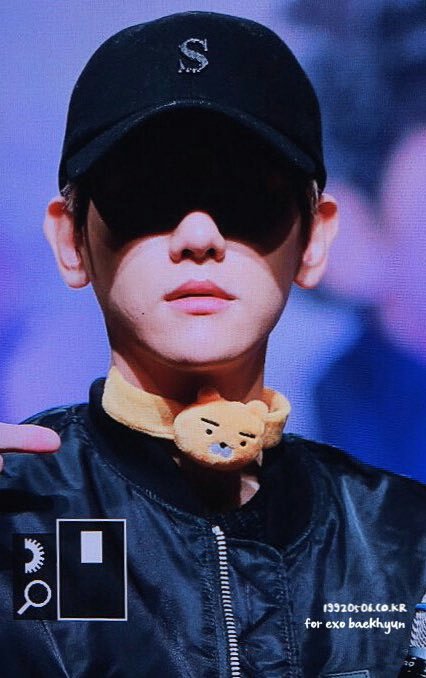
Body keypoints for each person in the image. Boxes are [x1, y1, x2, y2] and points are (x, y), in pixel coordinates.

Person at [0, 11, 425, 677]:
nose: (198, 235)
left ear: (315, 239)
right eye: (146, 191)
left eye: (246, 191)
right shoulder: (14, 515)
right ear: (71, 239)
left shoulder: (406, 538)